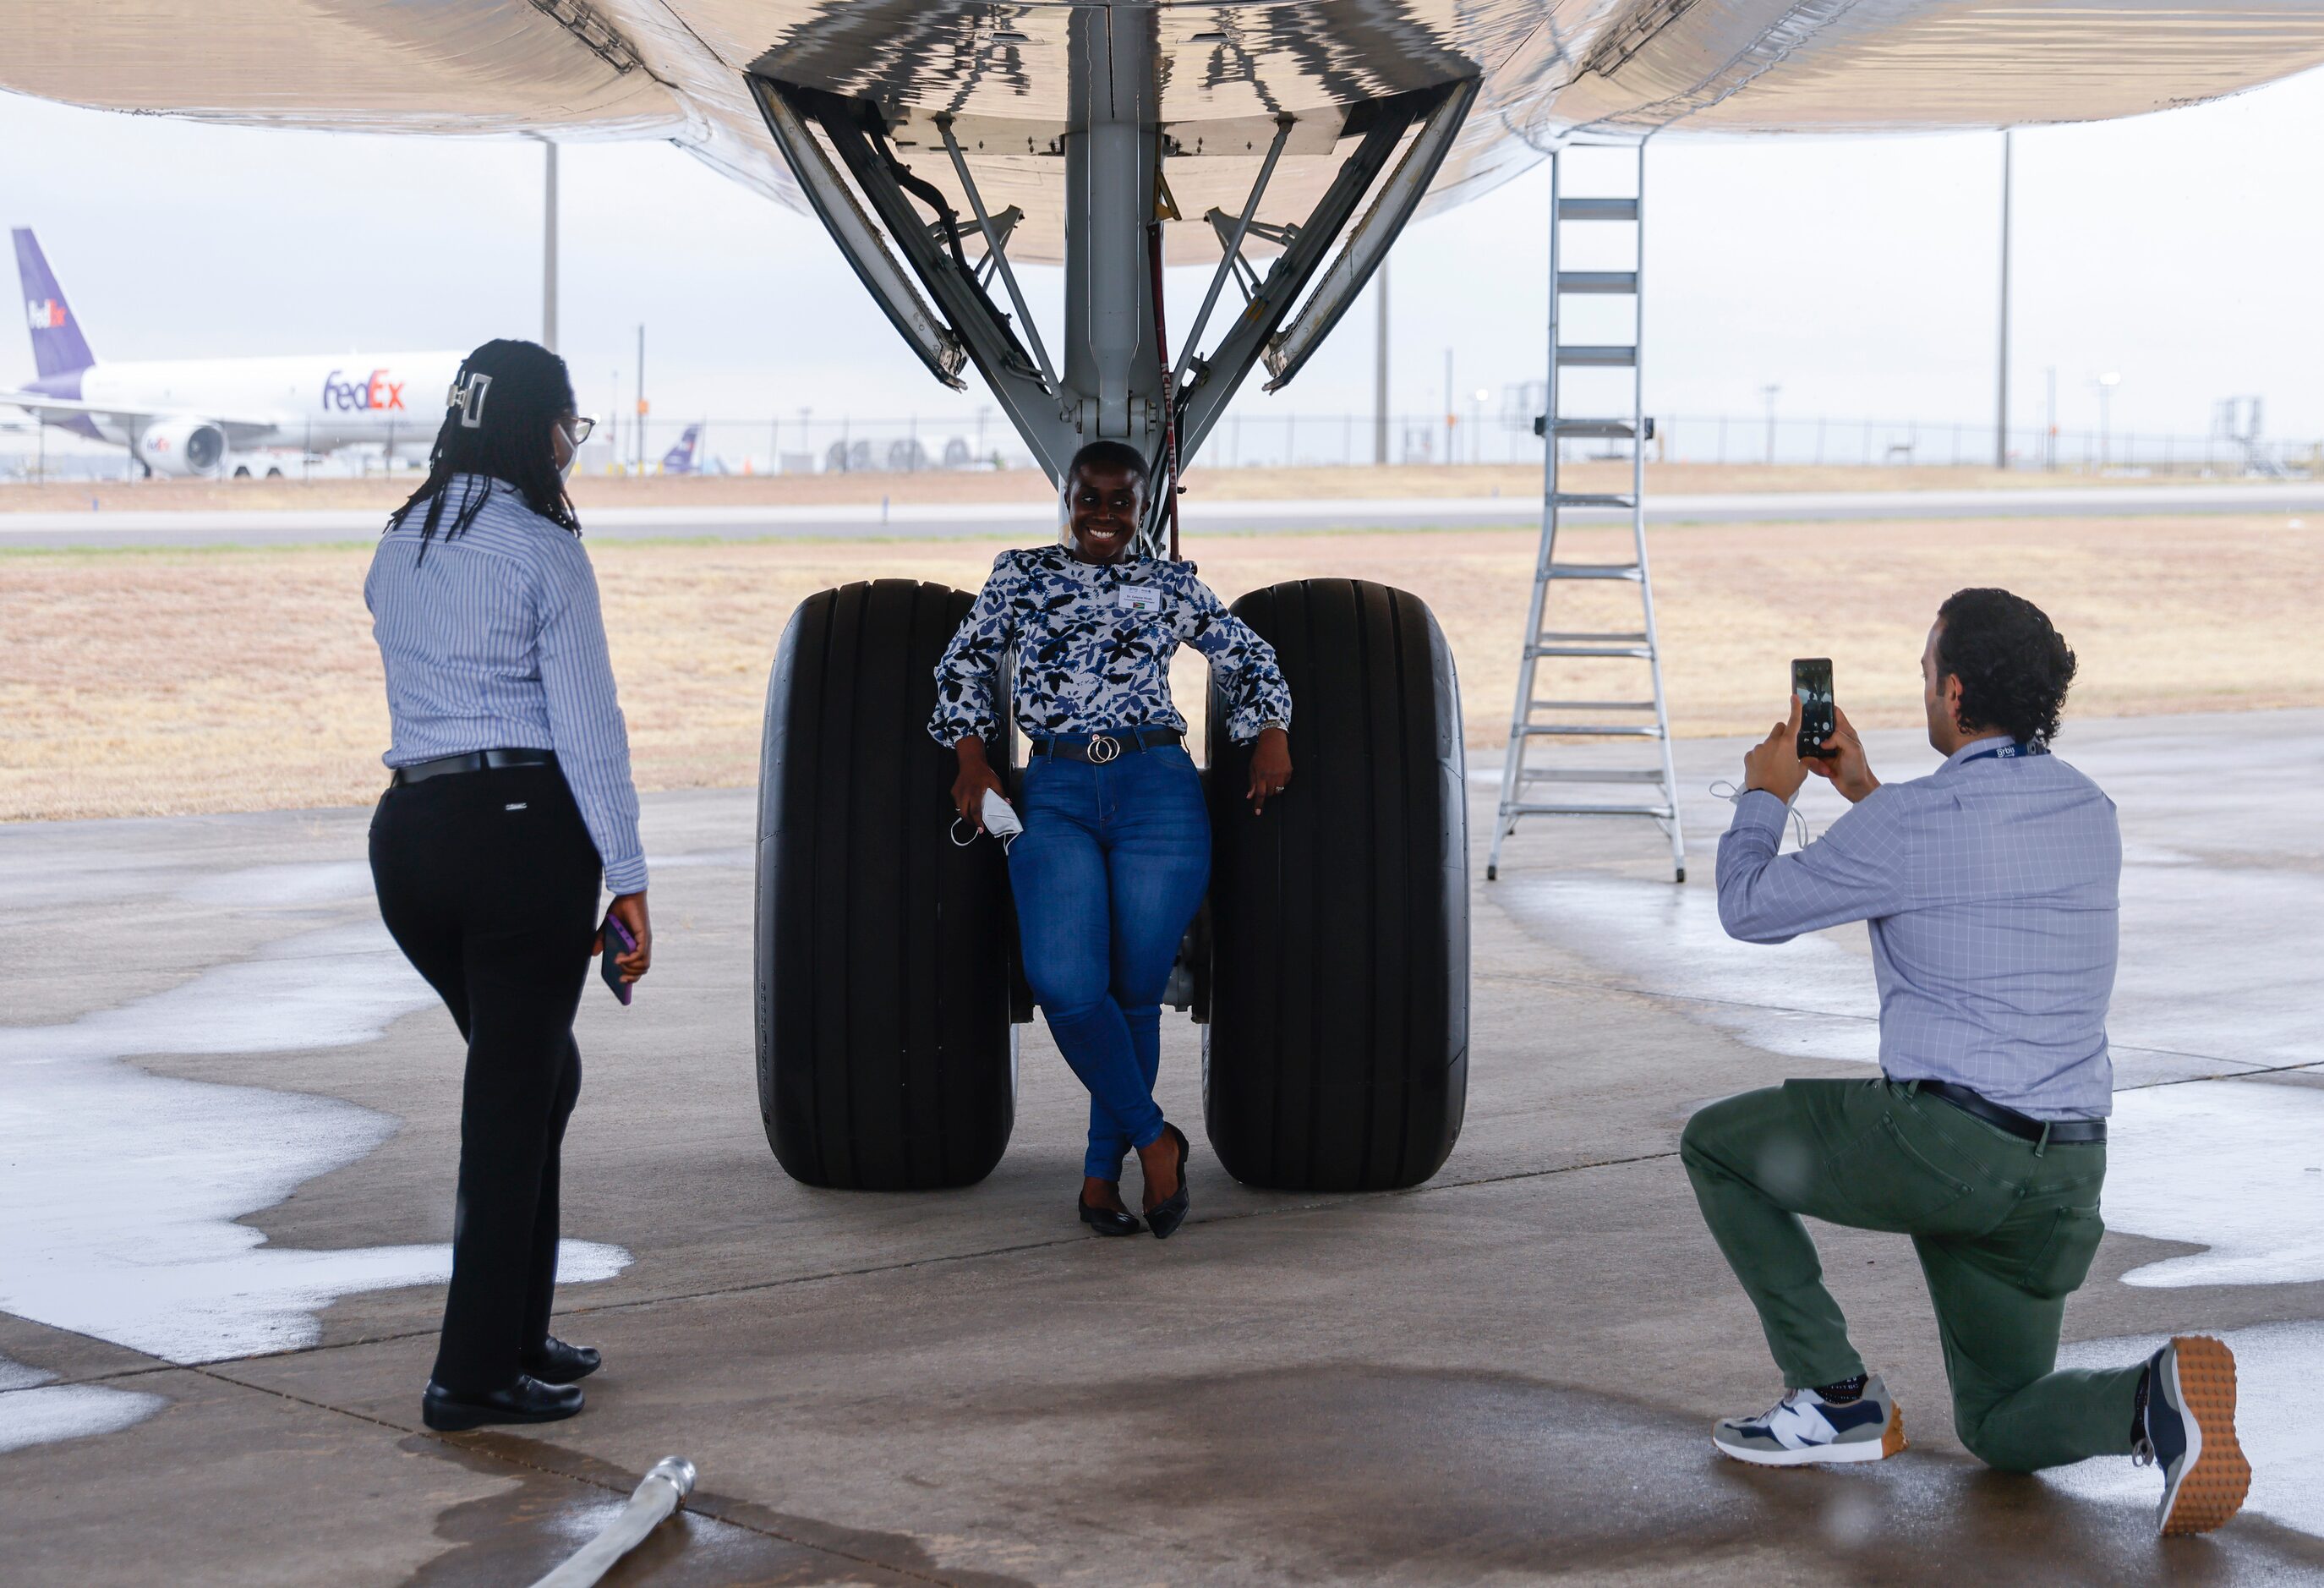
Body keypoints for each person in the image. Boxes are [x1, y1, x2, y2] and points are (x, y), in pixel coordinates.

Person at [1681, 588, 2250, 1537]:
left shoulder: (1910, 827)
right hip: (2064, 1173)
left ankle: (1834, 1395)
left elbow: (1748, 907)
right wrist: (1862, 789)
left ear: (1951, 690)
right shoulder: (2087, 809)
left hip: (1946, 1151)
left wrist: (1765, 795)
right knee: (1997, 1421)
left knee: (1717, 1146)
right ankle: (2148, 1399)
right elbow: (1964, 862)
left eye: (1921, 674)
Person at [364, 338, 651, 1432]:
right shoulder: (541, 547)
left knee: (537, 1077)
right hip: (521, 835)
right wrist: (626, 877)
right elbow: (588, 725)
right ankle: (472, 1374)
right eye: (568, 422)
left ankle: (518, 1329)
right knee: (510, 1100)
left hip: (411, 836)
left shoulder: (403, 537)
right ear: (536, 424)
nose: (570, 442)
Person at [931, 440, 1293, 1239]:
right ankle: (1154, 1138)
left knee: (1132, 995)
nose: (1102, 515)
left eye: (1119, 501)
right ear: (1064, 498)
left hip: (1156, 790)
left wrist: (1268, 727)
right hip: (1053, 789)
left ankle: (1102, 1180)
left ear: (1143, 507)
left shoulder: (1171, 583)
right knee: (1066, 985)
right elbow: (963, 663)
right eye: (1087, 498)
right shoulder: (1019, 575)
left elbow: (1249, 656)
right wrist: (970, 754)